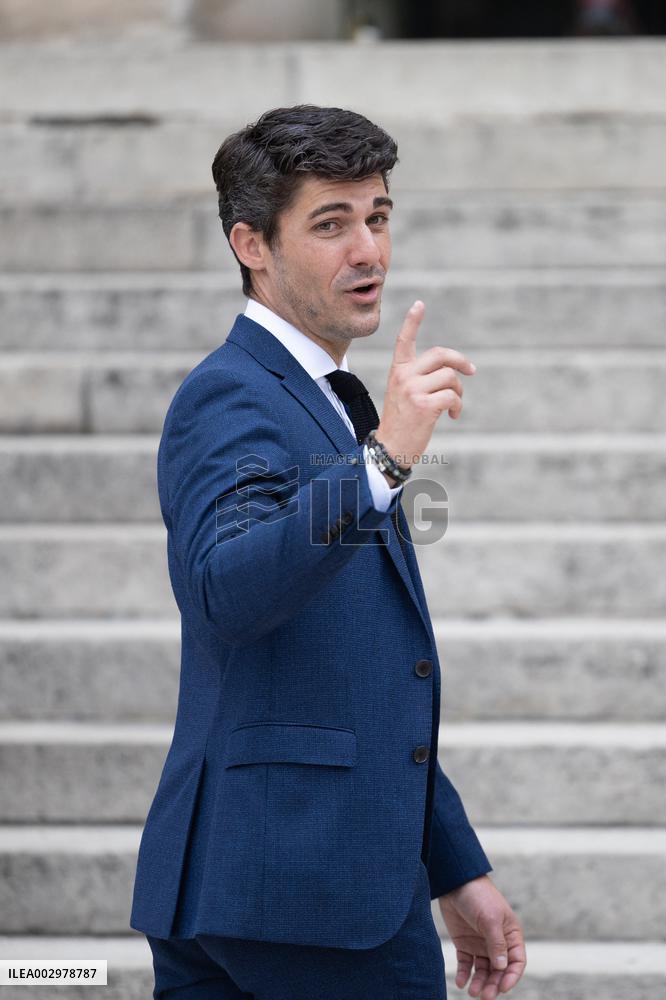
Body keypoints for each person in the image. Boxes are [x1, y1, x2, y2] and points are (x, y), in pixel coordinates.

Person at [129, 105, 526, 1000]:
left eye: (377, 217)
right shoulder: (229, 395)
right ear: (251, 244)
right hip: (300, 900)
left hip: (287, 884)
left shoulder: (324, 397)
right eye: (330, 224)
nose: (369, 252)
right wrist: (383, 458)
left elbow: (366, 678)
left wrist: (450, 863)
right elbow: (226, 589)